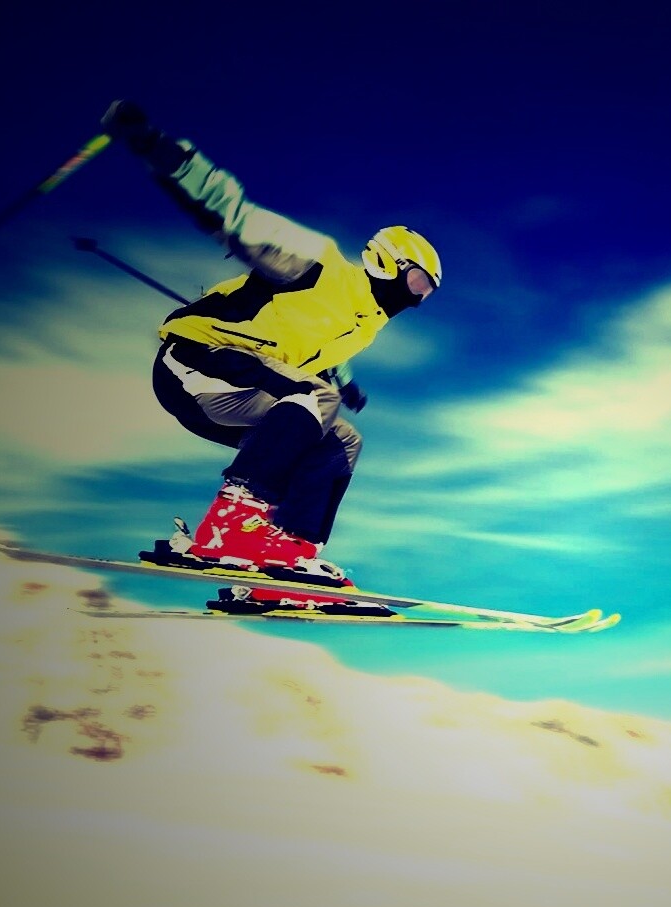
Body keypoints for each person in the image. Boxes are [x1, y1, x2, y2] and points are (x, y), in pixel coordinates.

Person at [99, 100, 440, 587]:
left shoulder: (364, 325)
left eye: (426, 293)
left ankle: (288, 551)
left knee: (342, 439)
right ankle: (231, 523)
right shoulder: (318, 265)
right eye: (418, 282)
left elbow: (318, 352)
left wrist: (345, 382)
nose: (418, 298)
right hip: (194, 361)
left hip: (243, 394)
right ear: (388, 263)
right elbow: (234, 215)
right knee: (315, 396)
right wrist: (155, 146)